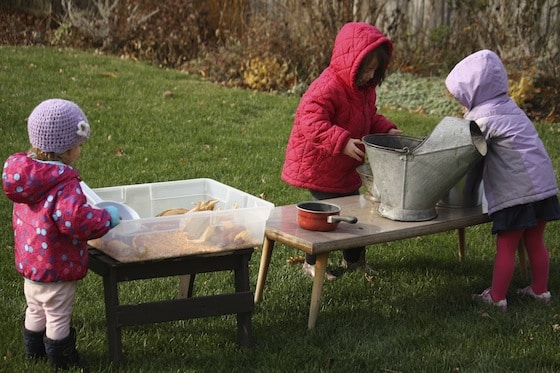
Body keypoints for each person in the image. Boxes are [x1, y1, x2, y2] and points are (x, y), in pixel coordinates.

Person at [2, 99, 121, 369]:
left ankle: (34, 353)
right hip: (57, 265)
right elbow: (75, 220)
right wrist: (106, 218)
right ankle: (62, 360)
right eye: (80, 145)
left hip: (31, 264)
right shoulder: (62, 183)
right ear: (67, 149)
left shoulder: (26, 178)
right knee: (57, 314)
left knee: (35, 308)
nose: (80, 149)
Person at [281, 22, 402, 280]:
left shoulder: (364, 92)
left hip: (343, 167)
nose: (371, 76)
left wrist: (386, 130)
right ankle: (312, 262)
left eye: (375, 71)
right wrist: (342, 141)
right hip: (321, 163)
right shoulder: (327, 86)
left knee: (355, 213)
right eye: (366, 69)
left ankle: (354, 260)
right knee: (325, 215)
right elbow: (310, 122)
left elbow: (370, 117)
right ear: (352, 63)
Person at [445, 49, 560, 311]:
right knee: (535, 240)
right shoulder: (511, 108)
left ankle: (497, 297)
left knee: (506, 246)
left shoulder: (481, 119)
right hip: (543, 189)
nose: (462, 105)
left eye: (462, 98)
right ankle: (540, 291)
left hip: (516, 194)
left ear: (474, 92)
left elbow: (465, 156)